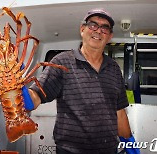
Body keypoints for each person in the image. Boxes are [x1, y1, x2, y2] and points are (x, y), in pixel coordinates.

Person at [28, 8, 138, 154]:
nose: (98, 31)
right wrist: (18, 91)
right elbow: (36, 96)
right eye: (93, 25)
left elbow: (119, 112)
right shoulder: (62, 62)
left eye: (105, 28)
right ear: (82, 29)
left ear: (110, 36)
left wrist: (129, 143)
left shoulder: (114, 68)